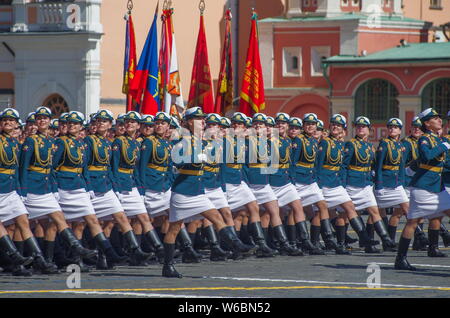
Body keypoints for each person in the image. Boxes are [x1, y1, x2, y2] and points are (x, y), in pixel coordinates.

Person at [163, 107, 253, 278]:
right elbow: (177, 163)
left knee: (216, 216)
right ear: (189, 122)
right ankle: (167, 266)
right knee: (174, 229)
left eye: (203, 119)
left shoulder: (200, 140)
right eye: (199, 119)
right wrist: (193, 158)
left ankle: (236, 244)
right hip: (183, 191)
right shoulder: (181, 139)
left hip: (198, 190)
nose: (203, 121)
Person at [19, 106, 98, 270]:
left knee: (57, 219)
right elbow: (23, 167)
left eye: (45, 118)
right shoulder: (31, 141)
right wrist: (23, 190)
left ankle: (57, 255)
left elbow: (50, 168)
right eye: (39, 118)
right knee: (22, 224)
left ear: (49, 121)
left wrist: (53, 188)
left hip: (46, 187)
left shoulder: (50, 141)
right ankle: (27, 260)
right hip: (32, 187)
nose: (42, 121)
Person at [52, 111, 127, 268]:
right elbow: (52, 168)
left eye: (75, 124)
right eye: (70, 123)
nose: (72, 125)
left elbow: (85, 167)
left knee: (90, 220)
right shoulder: (62, 142)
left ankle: (108, 254)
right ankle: (60, 258)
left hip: (80, 186)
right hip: (65, 186)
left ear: (80, 126)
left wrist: (87, 187)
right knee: (56, 224)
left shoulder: (81, 144)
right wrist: (54, 189)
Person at [84, 110, 152, 269]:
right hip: (94, 185)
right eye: (99, 121)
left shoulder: (108, 142)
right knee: (86, 224)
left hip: (107, 185)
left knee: (117, 218)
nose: (101, 123)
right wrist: (87, 186)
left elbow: (109, 168)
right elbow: (85, 166)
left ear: (110, 124)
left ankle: (134, 250)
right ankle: (89, 256)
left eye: (105, 121)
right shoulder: (90, 140)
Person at [0, 108, 59, 274]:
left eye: (11, 120)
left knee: (23, 221)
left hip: (11, 188)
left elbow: (18, 169)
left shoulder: (14, 143)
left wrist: (20, 190)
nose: (8, 122)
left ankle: (39, 259)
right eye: (5, 120)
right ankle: (15, 258)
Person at [395, 108, 450, 270]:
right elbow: (427, 156)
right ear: (427, 123)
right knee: (412, 222)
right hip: (424, 187)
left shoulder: (439, 140)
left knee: (427, 219)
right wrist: (444, 146)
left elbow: (444, 163)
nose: (439, 120)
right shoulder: (424, 139)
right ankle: (400, 259)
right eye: (435, 119)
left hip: (437, 186)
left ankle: (407, 256)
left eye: (439, 118)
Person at [316, 114, 379, 252]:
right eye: (333, 124)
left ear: (343, 129)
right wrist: (319, 185)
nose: (334, 126)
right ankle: (325, 241)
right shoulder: (325, 142)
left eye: (338, 125)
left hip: (335, 183)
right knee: (314, 212)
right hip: (325, 182)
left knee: (349, 207)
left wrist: (341, 182)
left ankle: (362, 238)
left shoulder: (340, 144)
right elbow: (318, 165)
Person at [246, 113, 302, 256]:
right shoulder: (246, 141)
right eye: (256, 123)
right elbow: (243, 164)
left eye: (262, 124)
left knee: (273, 210)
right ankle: (261, 244)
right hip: (251, 183)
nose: (258, 125)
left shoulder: (270, 142)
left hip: (264, 183)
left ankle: (282, 243)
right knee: (246, 214)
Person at [111, 111, 161, 265]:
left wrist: (140, 190)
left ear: (138, 126)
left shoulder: (136, 144)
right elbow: (113, 168)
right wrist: (117, 188)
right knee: (112, 222)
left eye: (133, 122)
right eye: (127, 121)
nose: (129, 124)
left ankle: (158, 249)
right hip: (121, 183)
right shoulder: (118, 142)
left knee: (143, 217)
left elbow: (137, 168)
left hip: (132, 184)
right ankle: (110, 254)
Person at [222, 112, 275, 258]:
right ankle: (233, 247)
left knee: (253, 207)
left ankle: (261, 243)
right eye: (234, 124)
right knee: (232, 215)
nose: (236, 126)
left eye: (240, 124)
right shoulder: (224, 140)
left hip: (239, 181)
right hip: (227, 181)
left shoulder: (243, 141)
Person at [342, 116, 398, 253]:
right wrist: (343, 184)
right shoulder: (351, 144)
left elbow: (372, 165)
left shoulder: (369, 146)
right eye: (358, 126)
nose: (360, 128)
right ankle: (363, 239)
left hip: (366, 183)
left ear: (369, 130)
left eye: (363, 126)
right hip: (353, 183)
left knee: (374, 211)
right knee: (349, 213)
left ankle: (386, 239)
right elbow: (344, 166)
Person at [291, 113, 342, 254]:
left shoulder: (314, 141)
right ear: (303, 125)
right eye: (307, 123)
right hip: (299, 180)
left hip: (310, 180)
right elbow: (293, 163)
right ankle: (297, 241)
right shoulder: (298, 140)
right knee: (295, 211)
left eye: (312, 124)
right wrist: (293, 181)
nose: (310, 126)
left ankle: (326, 239)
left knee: (322, 206)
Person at [272, 113, 322, 255]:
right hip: (273, 181)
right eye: (278, 123)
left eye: (284, 123)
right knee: (270, 213)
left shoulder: (288, 141)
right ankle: (276, 242)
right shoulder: (270, 141)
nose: (281, 125)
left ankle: (303, 241)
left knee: (297, 207)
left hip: (287, 180)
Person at [373, 118, 409, 249]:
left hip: (396, 184)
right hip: (385, 182)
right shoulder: (384, 144)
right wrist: (378, 185)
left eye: (395, 127)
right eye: (390, 127)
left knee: (407, 209)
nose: (392, 129)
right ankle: (385, 241)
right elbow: (378, 166)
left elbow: (401, 167)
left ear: (400, 130)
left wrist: (402, 183)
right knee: (377, 212)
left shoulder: (400, 146)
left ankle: (419, 236)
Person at [402, 117, 428, 250]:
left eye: (419, 127)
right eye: (414, 127)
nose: (416, 129)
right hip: (408, 181)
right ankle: (389, 240)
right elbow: (402, 164)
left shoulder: (425, 142)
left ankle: (419, 242)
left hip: (419, 180)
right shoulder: (406, 143)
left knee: (420, 211)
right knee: (401, 212)